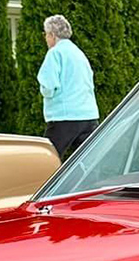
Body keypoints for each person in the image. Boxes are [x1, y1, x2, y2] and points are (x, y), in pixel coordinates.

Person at [37, 14, 99, 159]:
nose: (46, 38)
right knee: (87, 162)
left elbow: (48, 86)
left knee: (48, 159)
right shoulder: (79, 53)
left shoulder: (55, 53)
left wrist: (45, 93)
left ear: (52, 35)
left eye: (45, 34)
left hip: (64, 117)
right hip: (88, 116)